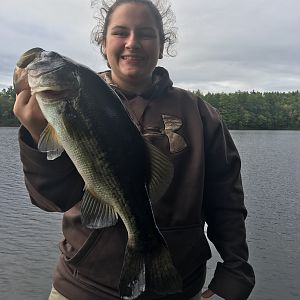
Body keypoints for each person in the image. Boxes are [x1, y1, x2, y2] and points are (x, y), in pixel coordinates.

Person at [13, 0, 255, 299]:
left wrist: (235, 274)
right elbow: (53, 200)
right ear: (103, 43)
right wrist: (38, 137)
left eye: (145, 33)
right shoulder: (68, 102)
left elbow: (226, 201)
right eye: (120, 32)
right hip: (81, 288)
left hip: (180, 288)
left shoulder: (201, 115)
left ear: (162, 44)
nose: (132, 43)